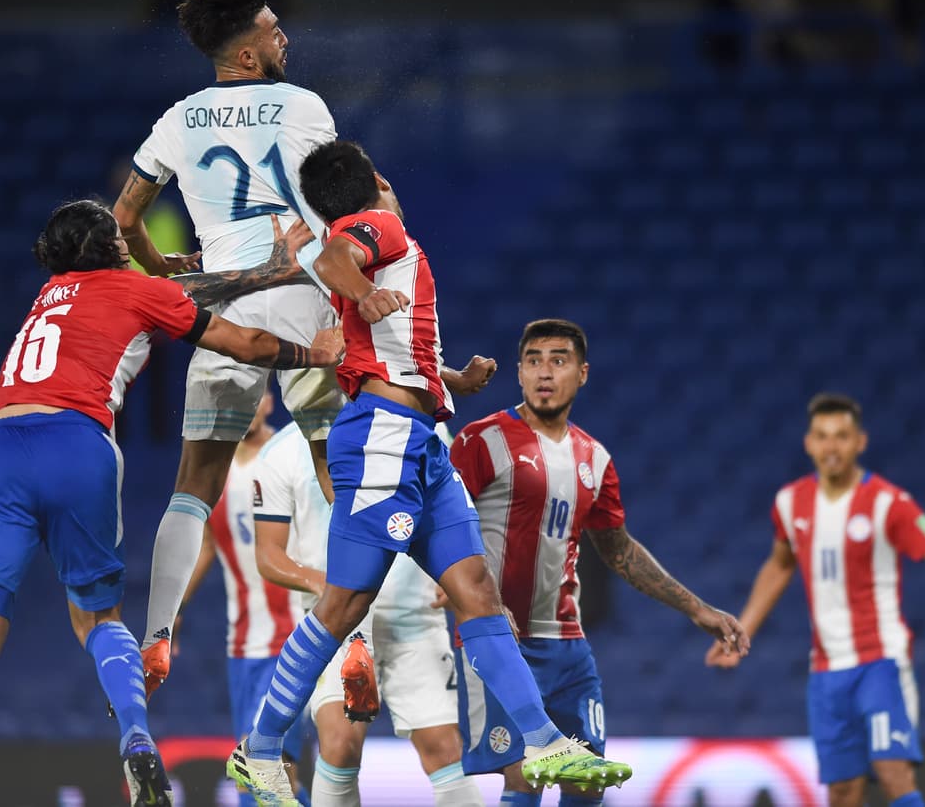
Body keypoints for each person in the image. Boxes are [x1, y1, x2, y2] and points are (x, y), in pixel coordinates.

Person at [0, 200, 343, 807]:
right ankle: (136, 738)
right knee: (99, 622)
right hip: (75, 442)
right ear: (113, 248)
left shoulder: (49, 296)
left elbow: (175, 288)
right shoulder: (132, 288)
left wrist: (246, 271)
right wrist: (314, 351)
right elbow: (245, 342)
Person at [225, 139, 633, 807]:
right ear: (376, 182)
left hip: (421, 445)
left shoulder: (387, 254)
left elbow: (382, 345)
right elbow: (334, 261)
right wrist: (363, 290)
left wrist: (450, 380)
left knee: (476, 590)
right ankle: (261, 747)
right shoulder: (377, 225)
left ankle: (542, 740)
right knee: (344, 603)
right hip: (384, 438)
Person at [111, 0, 349, 697]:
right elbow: (333, 211)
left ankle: (157, 633)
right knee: (333, 473)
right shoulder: (305, 105)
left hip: (226, 310)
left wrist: (166, 268)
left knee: (195, 484)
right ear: (247, 53)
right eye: (273, 29)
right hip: (303, 294)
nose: (284, 36)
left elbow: (124, 219)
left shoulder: (178, 120)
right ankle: (355, 639)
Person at [449, 318, 750, 806]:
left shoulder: (595, 458)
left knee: (588, 785)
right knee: (525, 777)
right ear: (520, 373)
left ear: (582, 373)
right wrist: (470, 595)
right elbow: (439, 528)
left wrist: (698, 609)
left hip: (569, 646)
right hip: (501, 641)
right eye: (533, 361)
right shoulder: (480, 442)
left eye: (559, 360)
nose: (545, 372)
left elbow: (619, 550)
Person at [705, 393, 925, 807]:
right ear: (808, 444)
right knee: (842, 793)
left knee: (893, 772)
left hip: (881, 661)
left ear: (860, 442)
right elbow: (780, 565)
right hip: (826, 670)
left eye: (841, 436)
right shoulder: (790, 502)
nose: (831, 446)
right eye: (822, 436)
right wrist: (741, 629)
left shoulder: (889, 503)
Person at [252, 418, 484, 807]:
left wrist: (453, 571)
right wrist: (322, 583)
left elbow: (448, 510)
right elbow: (268, 554)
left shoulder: (419, 428)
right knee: (340, 744)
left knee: (445, 749)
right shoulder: (281, 452)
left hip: (415, 617)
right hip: (336, 625)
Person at [178, 393, 313, 807]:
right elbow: (205, 544)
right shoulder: (213, 468)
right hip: (243, 644)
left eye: (253, 395)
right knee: (261, 780)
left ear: (269, 401)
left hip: (293, 634)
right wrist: (174, 610)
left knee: (263, 767)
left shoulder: (291, 453)